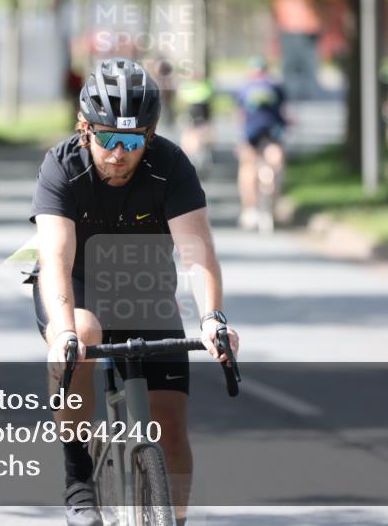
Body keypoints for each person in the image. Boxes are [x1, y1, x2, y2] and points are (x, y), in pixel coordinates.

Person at [30, 57, 239, 526]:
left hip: (143, 290)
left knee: (171, 430)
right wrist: (64, 333)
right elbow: (56, 259)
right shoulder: (61, 167)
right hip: (77, 285)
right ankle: (78, 477)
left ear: (151, 134)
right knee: (82, 334)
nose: (119, 153)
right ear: (85, 128)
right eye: (108, 139)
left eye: (133, 140)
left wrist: (213, 318)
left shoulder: (170, 165)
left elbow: (198, 252)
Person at [235, 56, 289, 230]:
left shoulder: (245, 87)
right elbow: (284, 112)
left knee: (248, 167)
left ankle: (250, 208)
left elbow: (241, 114)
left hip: (252, 134)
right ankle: (269, 206)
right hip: (271, 133)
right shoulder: (275, 86)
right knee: (274, 165)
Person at [176, 75, 216, 176]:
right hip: (192, 119)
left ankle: (200, 163)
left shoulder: (206, 85)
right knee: (189, 140)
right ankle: (187, 162)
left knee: (204, 140)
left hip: (202, 119)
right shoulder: (187, 86)